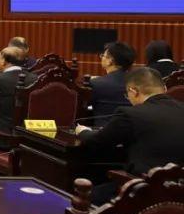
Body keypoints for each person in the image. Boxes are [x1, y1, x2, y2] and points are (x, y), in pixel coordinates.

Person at [76, 67, 184, 204]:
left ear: (133, 91)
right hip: (179, 193)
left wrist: (82, 131)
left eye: (127, 95)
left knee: (85, 196)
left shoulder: (130, 114)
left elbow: (97, 141)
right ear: (164, 88)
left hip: (143, 192)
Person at [90, 42, 136, 127]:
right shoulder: (139, 84)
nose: (101, 58)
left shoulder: (96, 83)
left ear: (110, 61)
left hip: (102, 131)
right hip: (132, 131)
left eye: (103, 55)